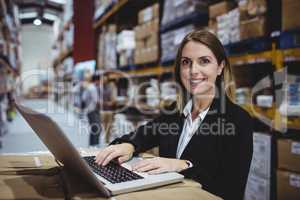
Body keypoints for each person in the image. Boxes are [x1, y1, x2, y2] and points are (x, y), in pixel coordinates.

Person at [95, 30, 253, 200]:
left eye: (204, 61)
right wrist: (130, 146)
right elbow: (143, 134)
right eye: (186, 62)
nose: (193, 70)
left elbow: (231, 189)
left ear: (220, 67)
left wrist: (184, 165)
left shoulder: (238, 120)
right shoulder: (174, 112)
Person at [82, 73, 102, 146]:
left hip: (89, 111)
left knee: (94, 129)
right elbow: (96, 101)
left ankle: (91, 144)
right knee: (97, 129)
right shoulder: (93, 88)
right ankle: (95, 145)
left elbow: (83, 99)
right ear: (97, 80)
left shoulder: (89, 87)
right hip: (93, 111)